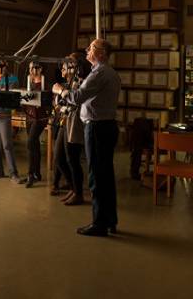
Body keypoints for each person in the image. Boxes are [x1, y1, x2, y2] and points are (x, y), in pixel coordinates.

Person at [53, 39, 120, 237]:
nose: (87, 50)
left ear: (101, 53)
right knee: (106, 178)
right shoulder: (110, 73)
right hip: (106, 126)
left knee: (97, 177)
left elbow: (76, 97)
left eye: (90, 47)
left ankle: (99, 224)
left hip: (97, 129)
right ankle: (109, 220)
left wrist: (60, 90)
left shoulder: (99, 72)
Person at [57, 52, 92, 206]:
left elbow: (76, 99)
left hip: (76, 123)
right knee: (60, 157)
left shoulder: (83, 80)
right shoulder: (72, 81)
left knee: (73, 158)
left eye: (70, 65)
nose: (66, 68)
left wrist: (60, 92)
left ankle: (78, 193)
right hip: (66, 121)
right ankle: (73, 188)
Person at [22, 61, 48, 188]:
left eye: (35, 67)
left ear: (40, 69)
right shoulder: (29, 83)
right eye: (30, 67)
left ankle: (30, 174)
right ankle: (37, 173)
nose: (32, 70)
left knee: (30, 142)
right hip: (29, 117)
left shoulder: (43, 83)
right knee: (34, 144)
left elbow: (45, 101)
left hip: (40, 118)